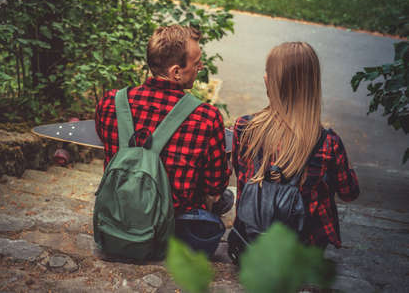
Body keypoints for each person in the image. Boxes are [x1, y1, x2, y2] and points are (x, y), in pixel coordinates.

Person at [95, 25, 232, 255]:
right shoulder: (206, 118)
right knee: (225, 198)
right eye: (197, 62)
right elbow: (214, 186)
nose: (201, 67)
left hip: (118, 218)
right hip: (173, 231)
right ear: (176, 71)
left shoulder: (110, 103)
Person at [231, 42, 360, 249]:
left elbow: (242, 176)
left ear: (273, 82)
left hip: (248, 245)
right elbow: (349, 193)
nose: (264, 76)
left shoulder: (244, 128)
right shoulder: (328, 144)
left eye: (268, 72)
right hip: (300, 258)